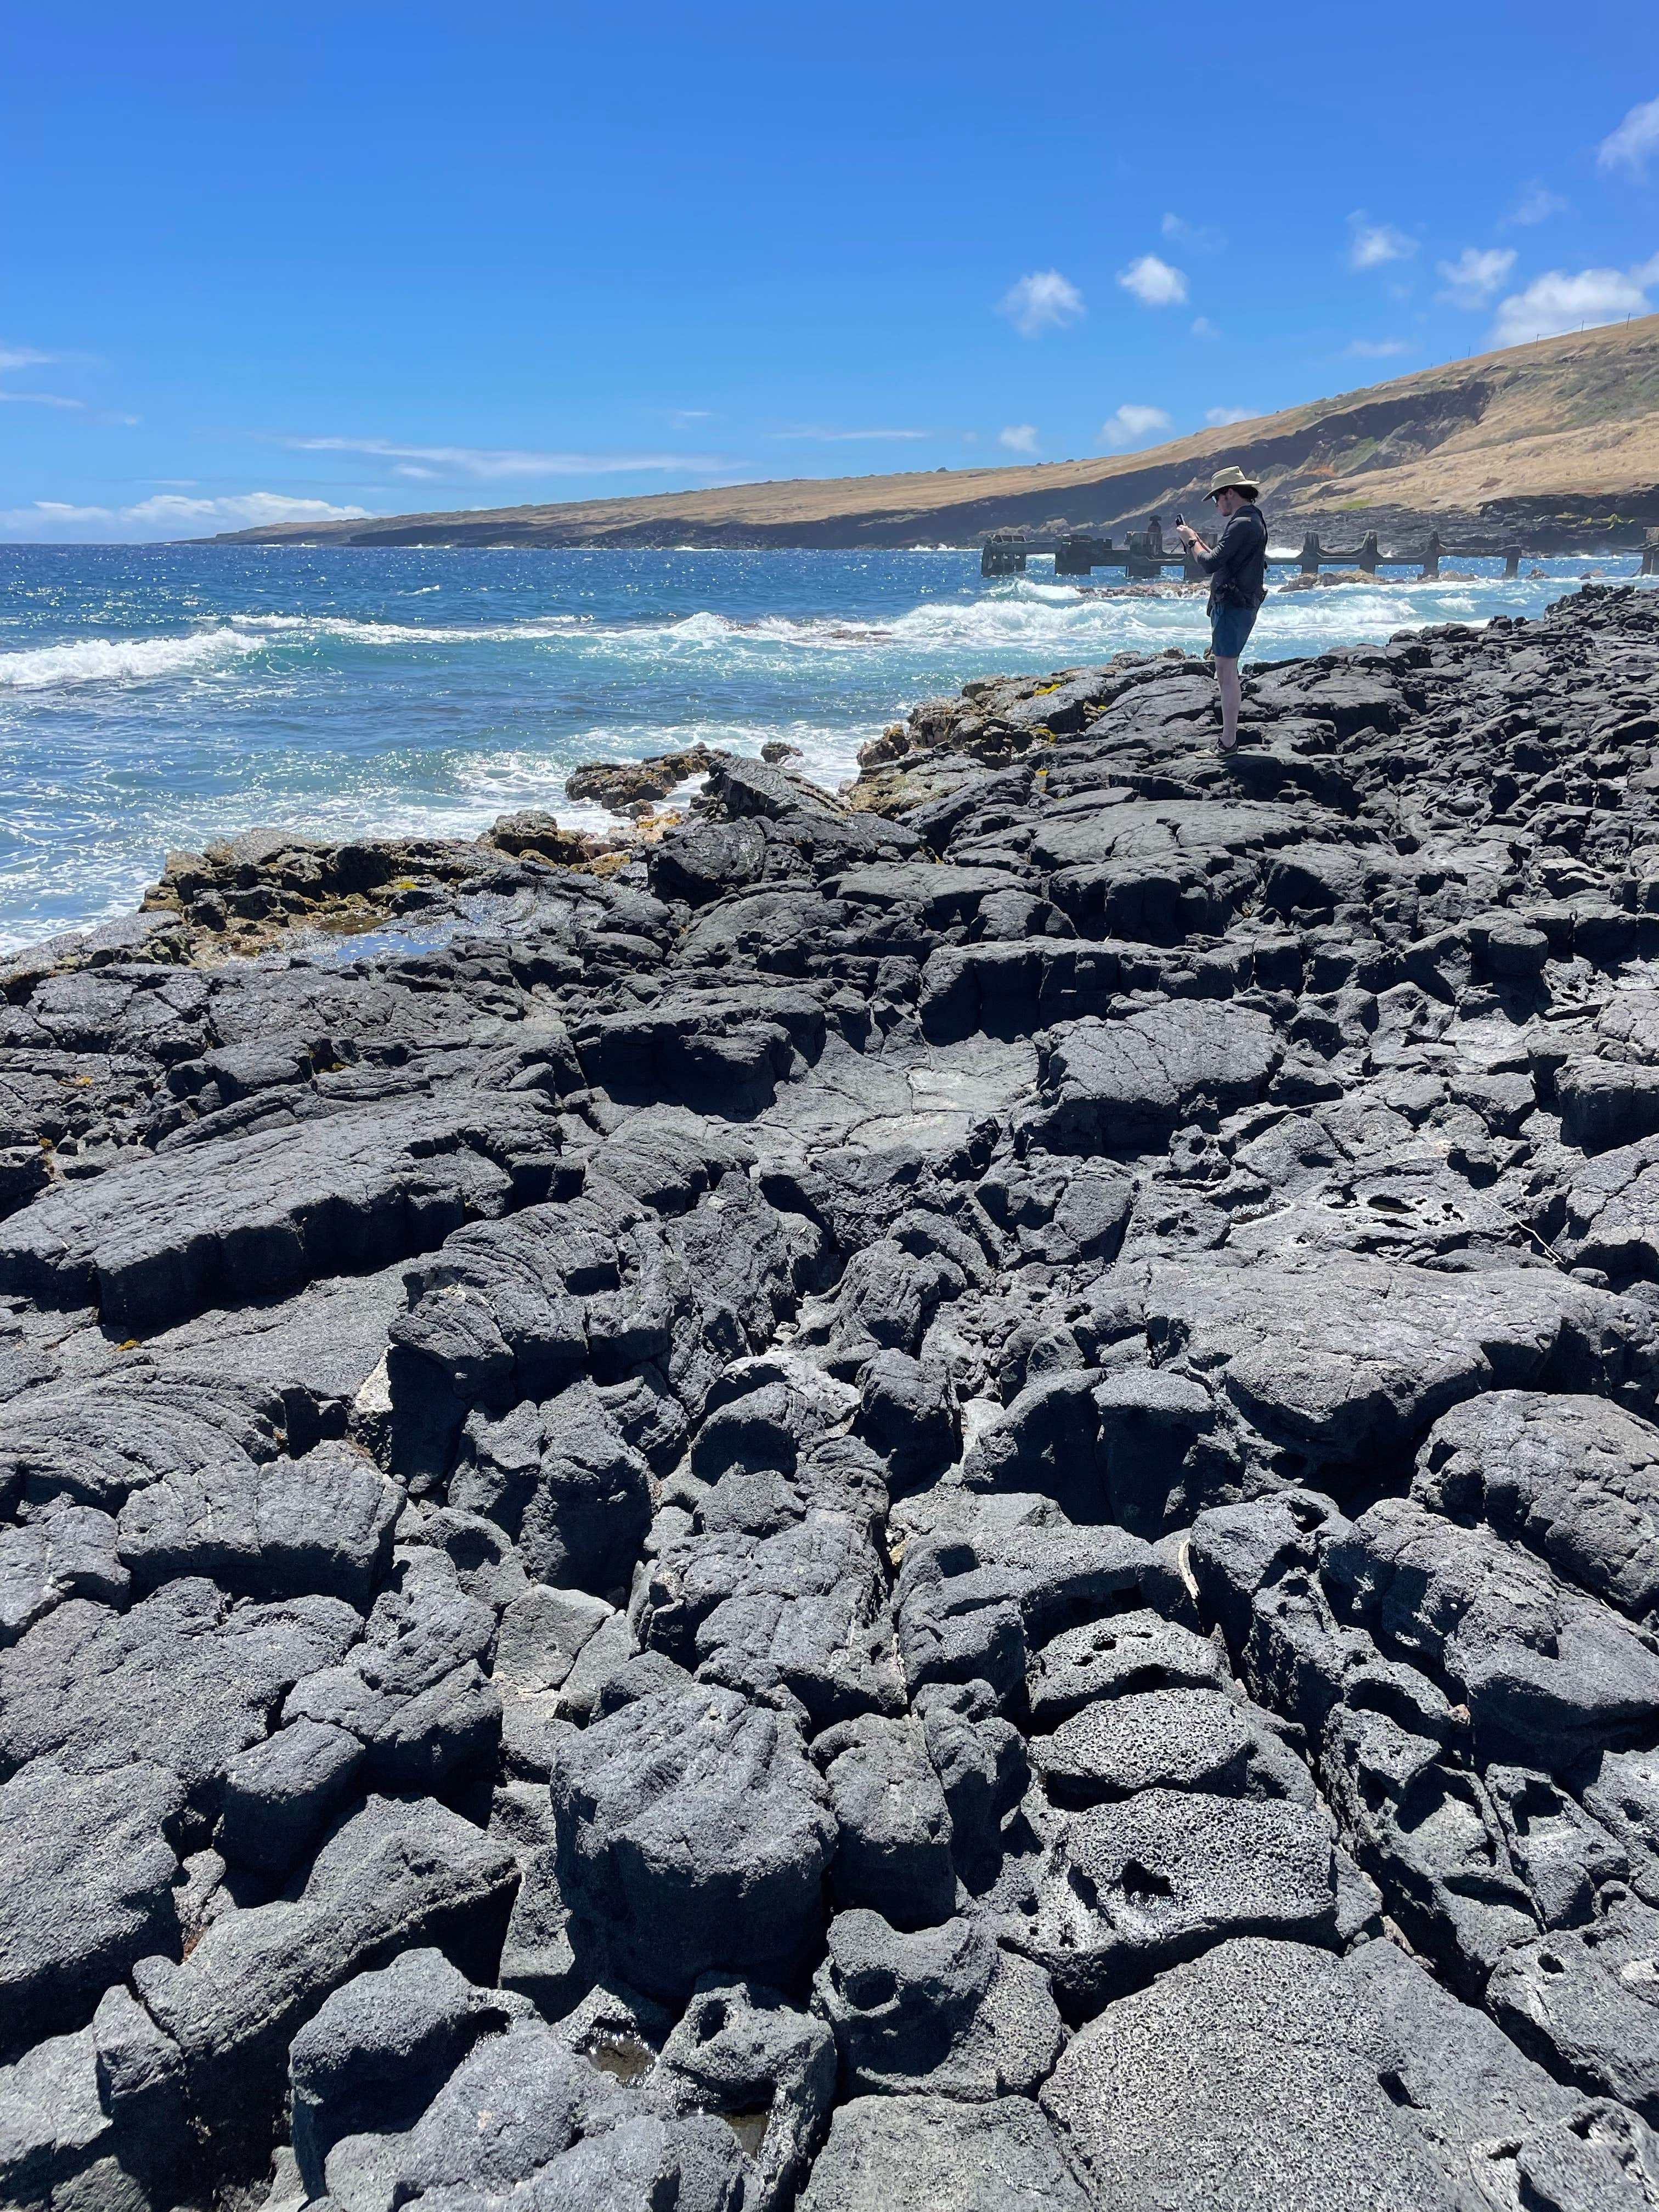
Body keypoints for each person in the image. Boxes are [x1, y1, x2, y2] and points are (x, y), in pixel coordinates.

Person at [1175, 465, 1267, 754]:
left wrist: (1191, 540)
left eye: (1217, 498)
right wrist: (1199, 542)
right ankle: (1229, 739)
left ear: (1229, 494)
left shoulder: (1243, 523)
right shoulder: (1253, 518)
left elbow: (1210, 564)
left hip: (1233, 605)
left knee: (1226, 672)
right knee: (1228, 670)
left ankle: (1228, 742)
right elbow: (1223, 557)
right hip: (1240, 603)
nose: (1216, 505)